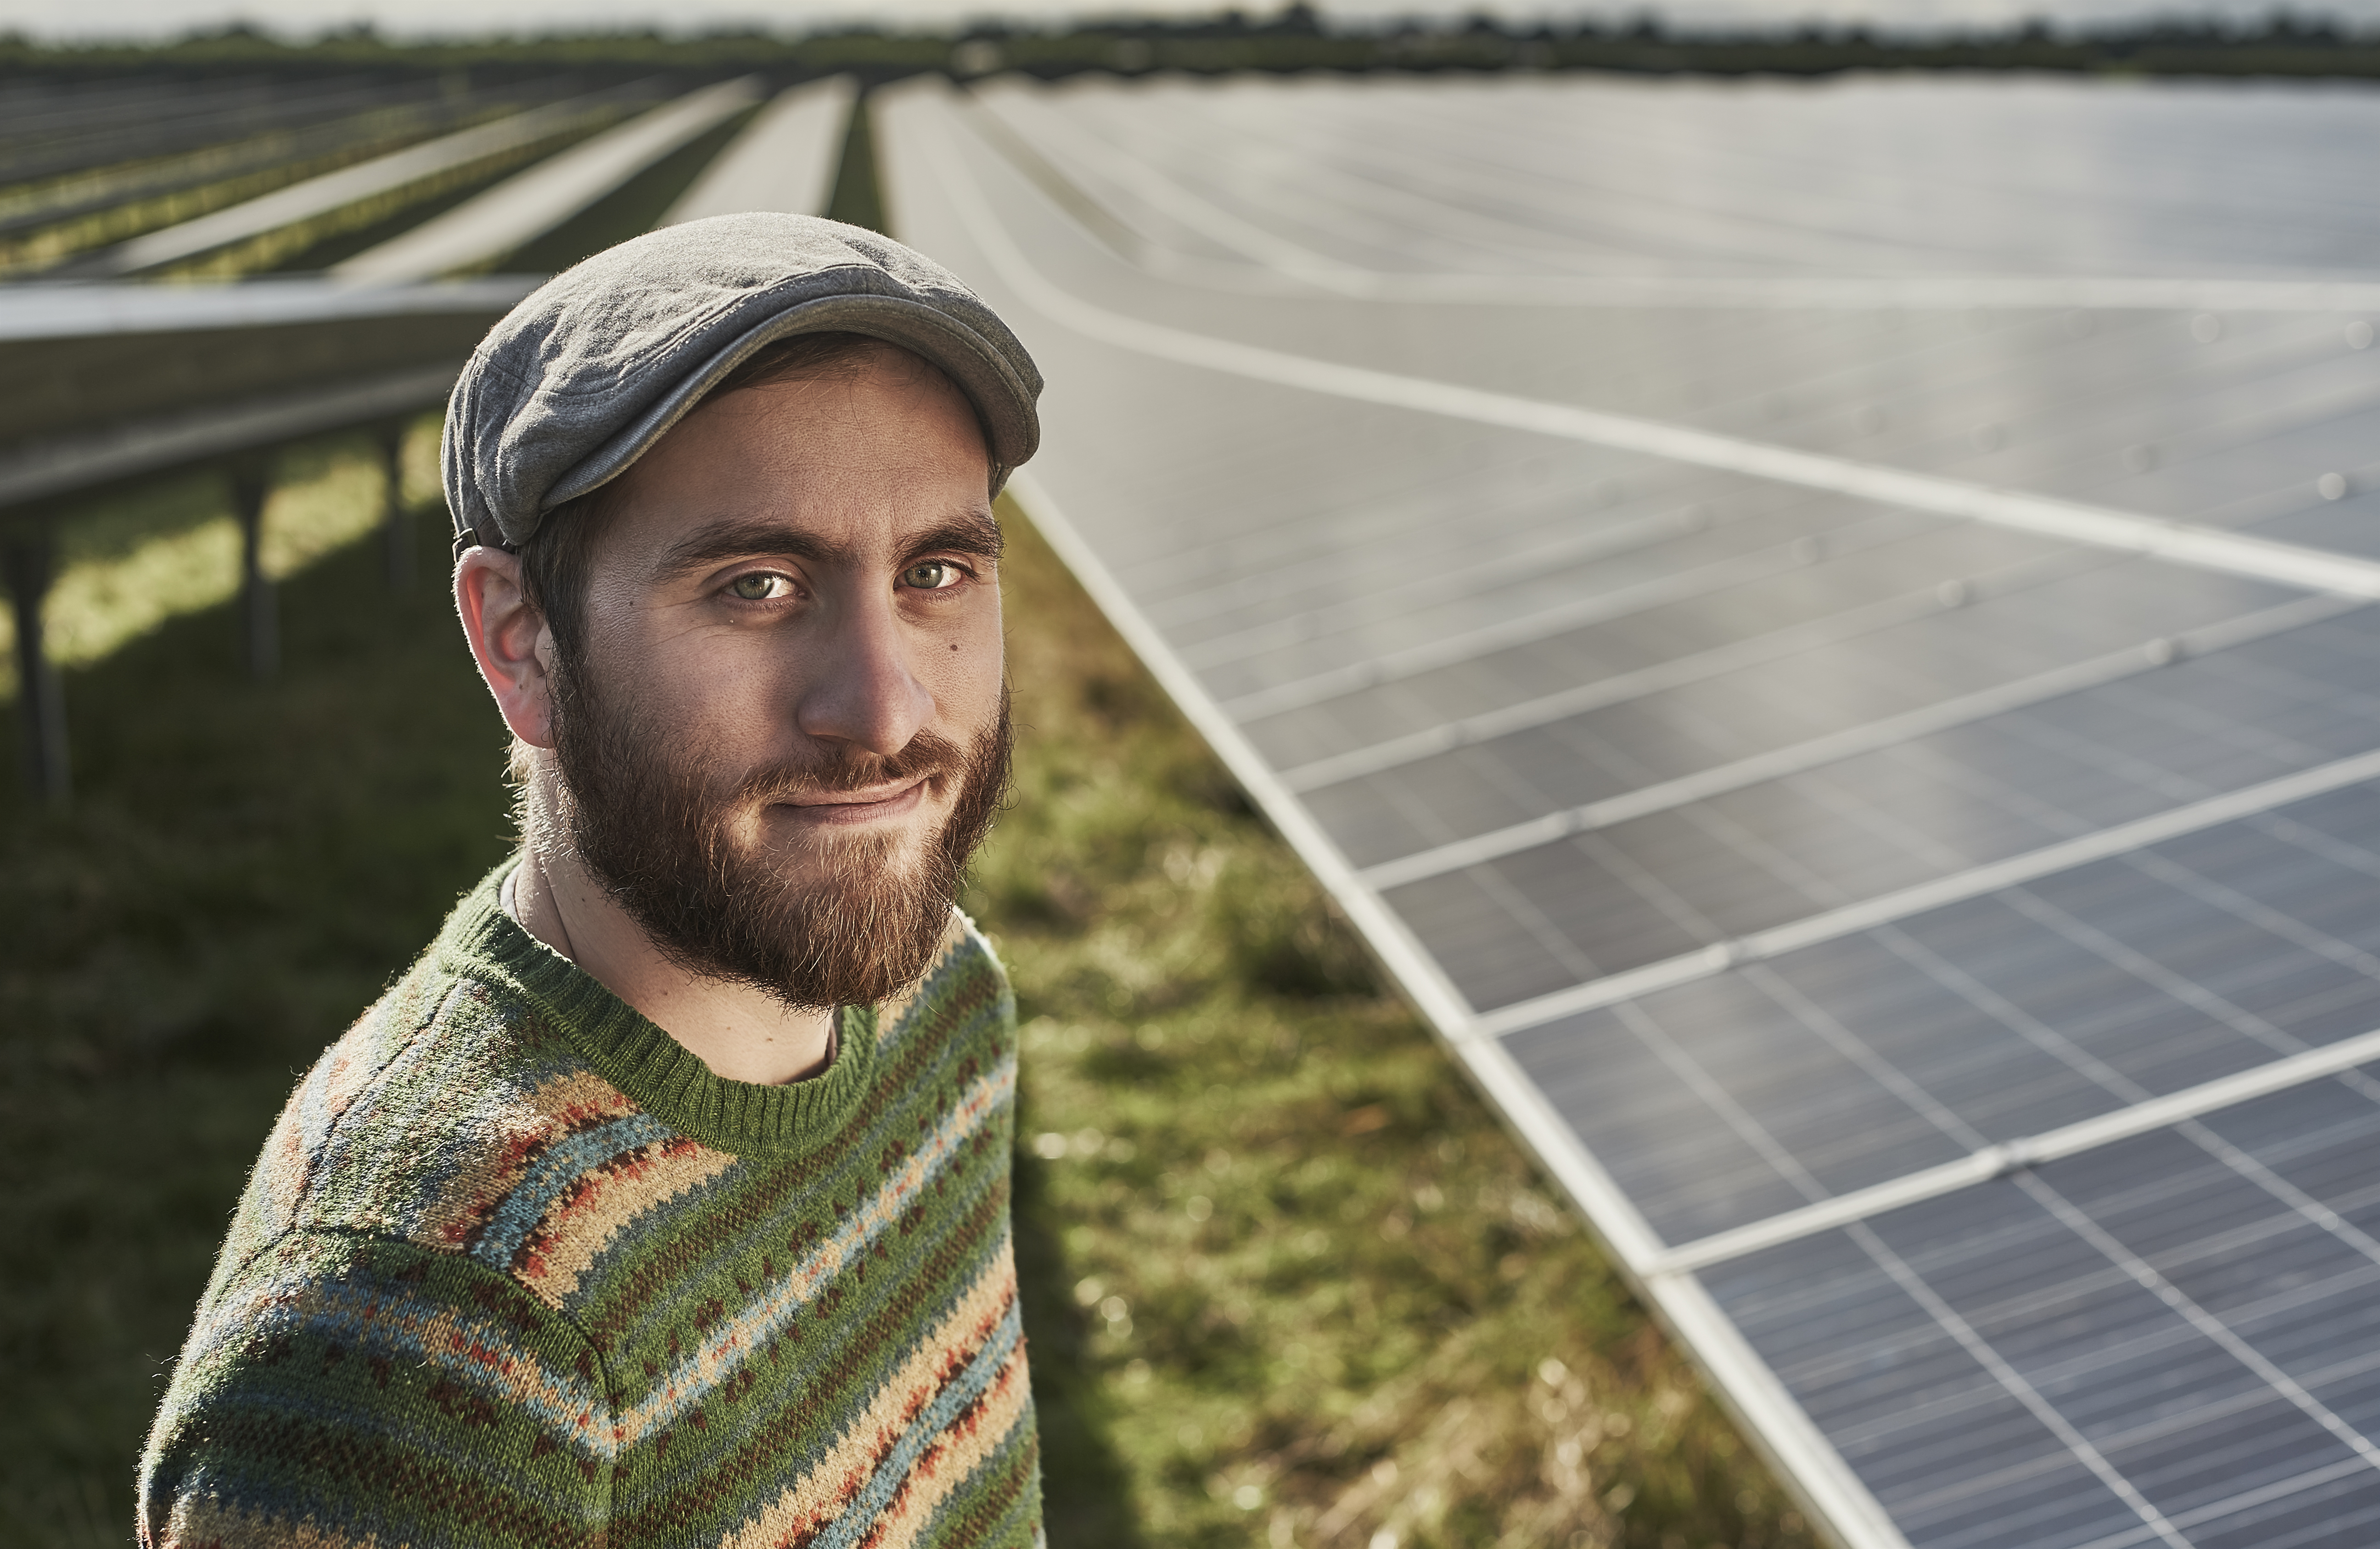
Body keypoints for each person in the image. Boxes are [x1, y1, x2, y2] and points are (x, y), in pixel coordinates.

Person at [136, 214, 1047, 1547]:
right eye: (757, 585)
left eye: (936, 572)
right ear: (520, 640)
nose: (883, 708)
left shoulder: (942, 1003)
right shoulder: (424, 1335)